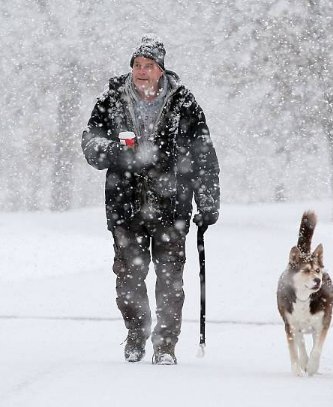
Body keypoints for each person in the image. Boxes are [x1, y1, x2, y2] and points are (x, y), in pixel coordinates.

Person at [81, 34, 220, 365]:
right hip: (124, 204)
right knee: (129, 277)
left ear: (161, 70)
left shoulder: (183, 103)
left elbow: (204, 154)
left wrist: (209, 199)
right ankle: (136, 331)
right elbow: (90, 143)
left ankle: (166, 344)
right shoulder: (111, 100)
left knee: (170, 277)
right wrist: (117, 151)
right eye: (137, 65)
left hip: (172, 203)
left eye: (149, 66)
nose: (142, 72)